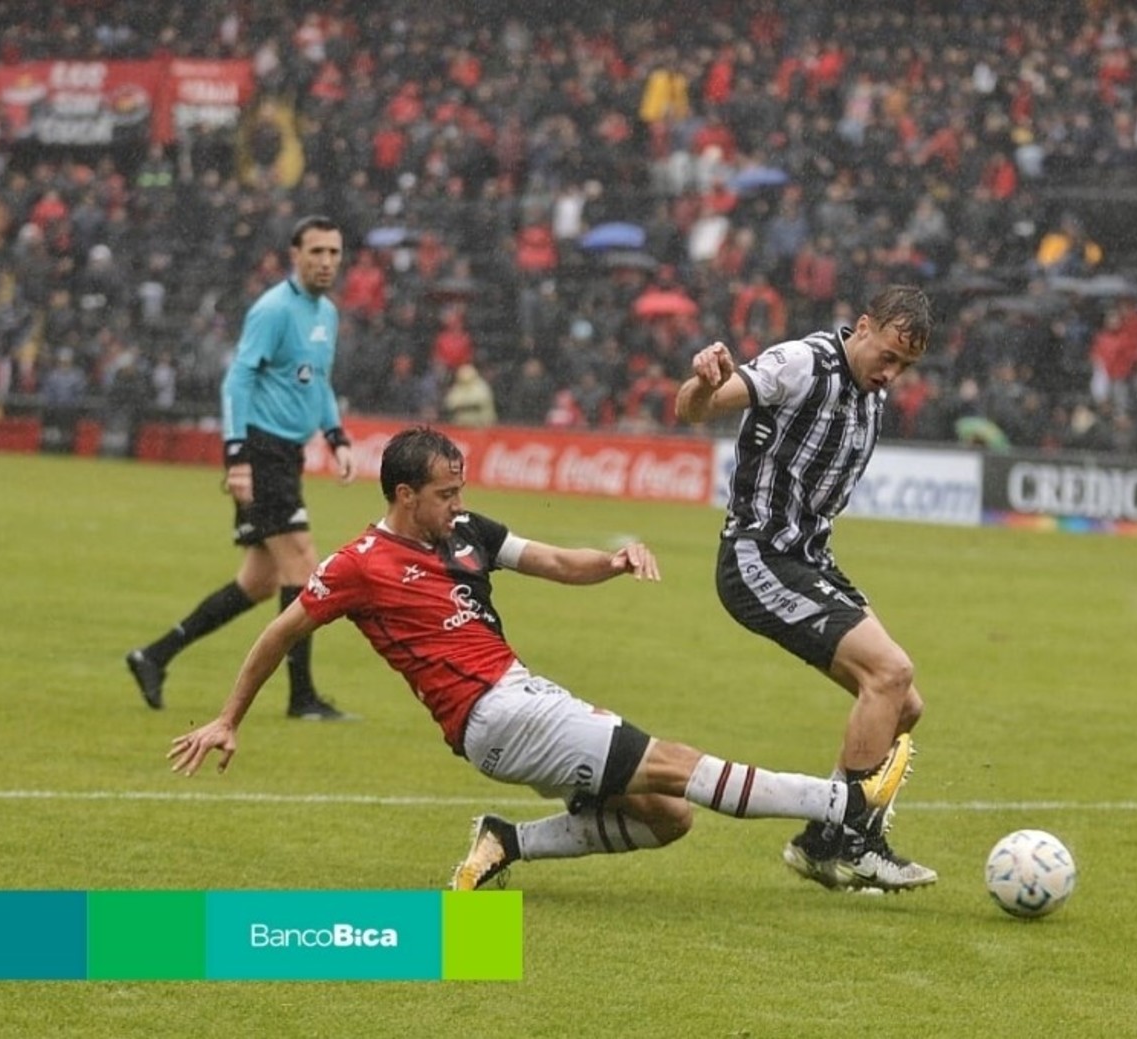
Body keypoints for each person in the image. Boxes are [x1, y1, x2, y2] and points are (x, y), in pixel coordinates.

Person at [166, 426, 913, 891]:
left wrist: (613, 561)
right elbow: (279, 632)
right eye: (444, 493)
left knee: (667, 815)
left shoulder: (467, 533)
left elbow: (554, 560)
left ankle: (506, 839)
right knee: (674, 761)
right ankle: (843, 804)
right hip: (494, 712)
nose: (457, 504)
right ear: (403, 493)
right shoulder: (359, 562)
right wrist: (229, 717)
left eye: (461, 490)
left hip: (518, 700)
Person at [674, 284, 939, 894]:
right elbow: (695, 408)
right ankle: (852, 839)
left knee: (906, 703)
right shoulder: (801, 363)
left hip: (810, 559)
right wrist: (707, 382)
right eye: (889, 356)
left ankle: (820, 843)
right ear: (864, 326)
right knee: (889, 672)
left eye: (907, 367)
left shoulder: (871, 393)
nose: (893, 375)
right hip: (757, 556)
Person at [126, 215, 357, 720]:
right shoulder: (273, 309)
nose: (325, 262)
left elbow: (317, 382)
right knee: (303, 566)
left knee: (258, 582)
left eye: (334, 253)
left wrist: (336, 437)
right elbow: (237, 383)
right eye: (316, 252)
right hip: (261, 451)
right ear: (294, 255)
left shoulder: (328, 315)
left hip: (286, 455)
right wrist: (236, 458)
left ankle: (153, 656)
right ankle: (301, 699)